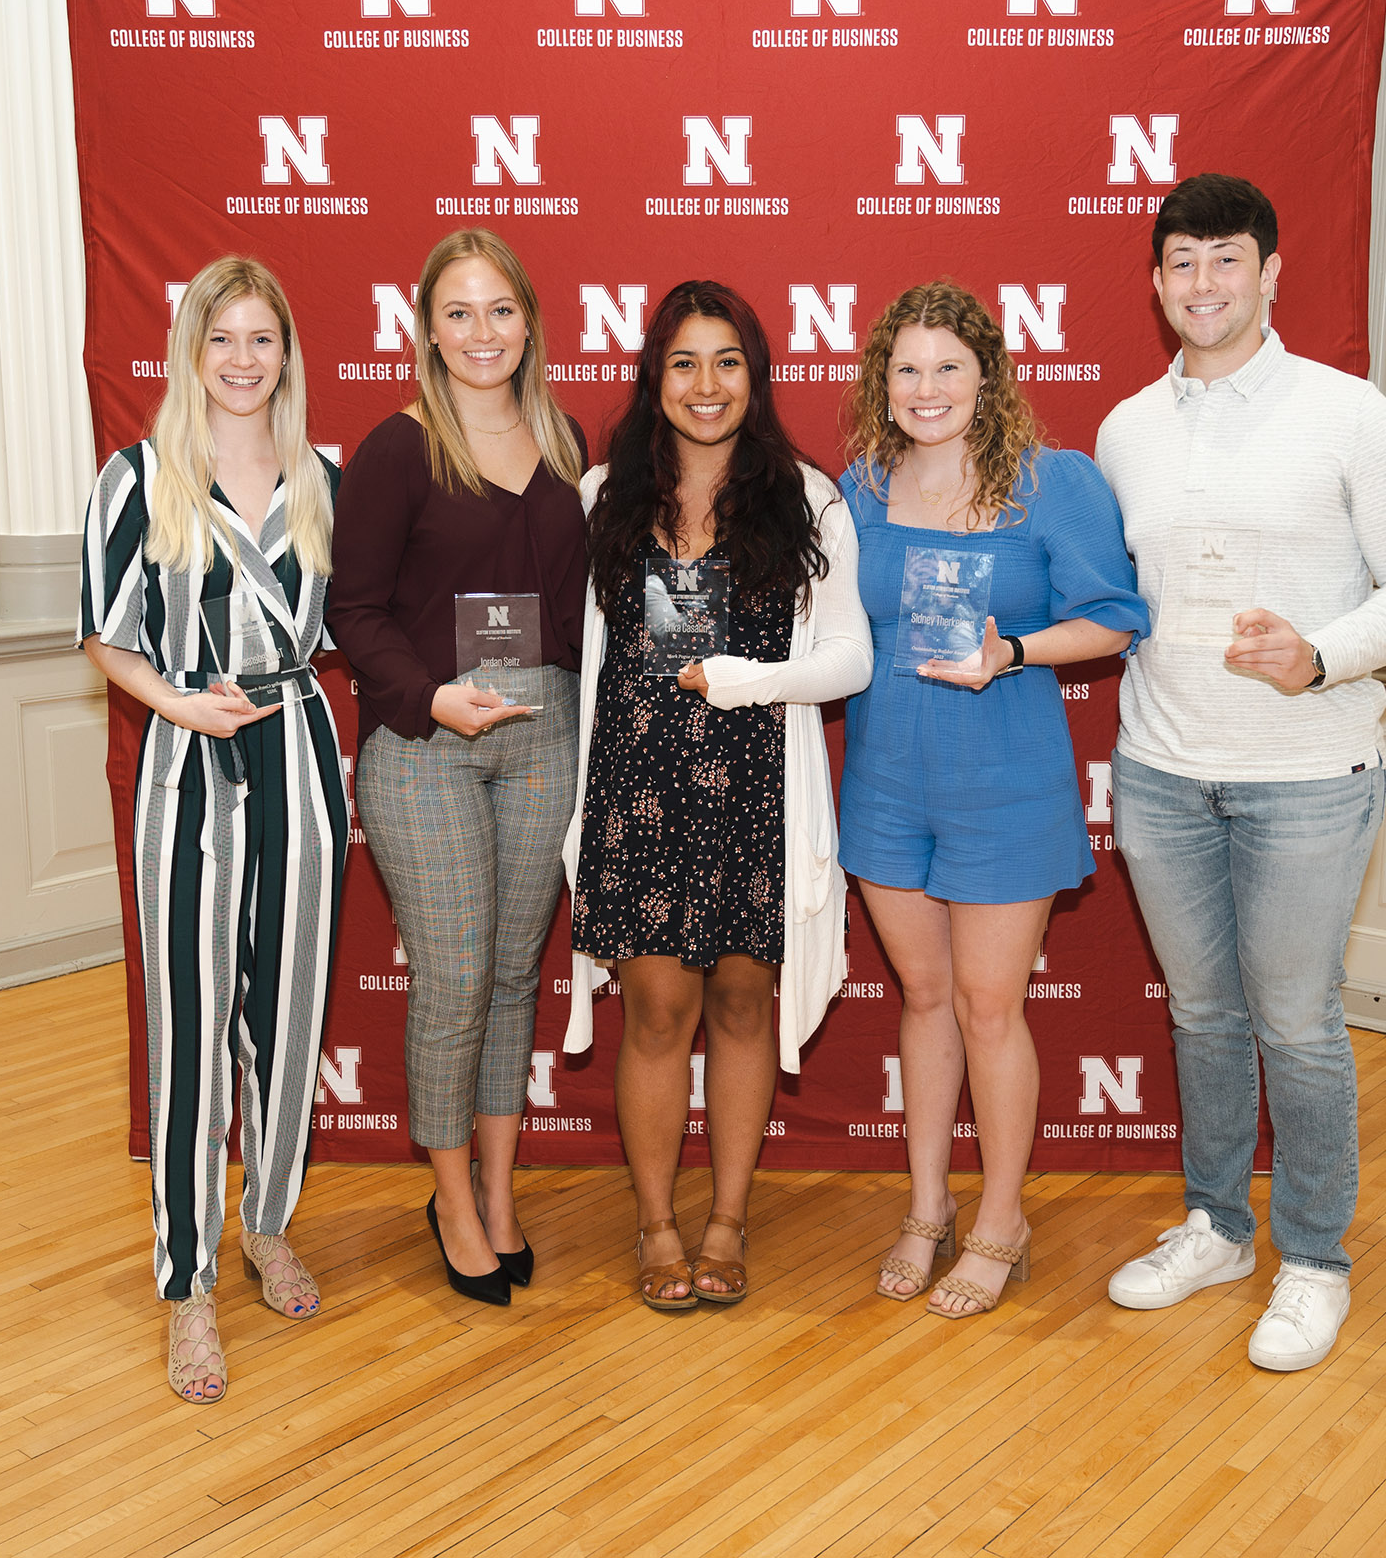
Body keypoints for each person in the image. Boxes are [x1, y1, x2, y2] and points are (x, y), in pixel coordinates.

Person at [1094, 173, 1386, 1371]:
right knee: (1202, 1014)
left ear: (1270, 272)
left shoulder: (1349, 412)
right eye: (1182, 263)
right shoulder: (1125, 429)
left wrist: (1318, 656)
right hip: (1158, 772)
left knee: (1296, 1024)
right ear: (1156, 284)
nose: (1203, 284)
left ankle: (1313, 1257)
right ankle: (1215, 1223)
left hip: (1308, 775)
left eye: (1225, 260)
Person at [560, 281, 872, 1311]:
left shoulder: (807, 498)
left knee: (743, 1001)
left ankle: (727, 1220)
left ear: (756, 374)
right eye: (685, 362)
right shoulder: (602, 492)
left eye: (727, 361)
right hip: (637, 787)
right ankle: (655, 1222)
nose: (706, 385)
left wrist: (758, 679)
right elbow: (571, 653)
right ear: (655, 374)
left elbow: (850, 661)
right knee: (655, 1010)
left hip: (757, 791)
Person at [841, 282, 1150, 1319]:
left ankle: (1002, 1218)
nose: (926, 390)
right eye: (907, 369)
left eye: (948, 368)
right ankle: (925, 1208)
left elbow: (1111, 620)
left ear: (988, 376)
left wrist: (1012, 650)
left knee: (987, 1006)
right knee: (923, 1000)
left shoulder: (1052, 482)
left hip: (1005, 782)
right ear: (882, 383)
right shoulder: (861, 485)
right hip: (886, 784)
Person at [79, 256, 346, 1404]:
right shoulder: (137, 477)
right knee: (190, 1030)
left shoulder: (323, 477)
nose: (243, 360)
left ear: (287, 353)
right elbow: (103, 634)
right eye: (222, 339)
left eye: (263, 340)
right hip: (188, 755)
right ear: (191, 351)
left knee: (287, 1022)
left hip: (296, 748)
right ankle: (186, 1282)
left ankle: (268, 1222)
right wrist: (180, 702)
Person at [329, 230, 587, 1308]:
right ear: (426, 329)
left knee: (517, 975)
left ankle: (497, 1183)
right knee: (454, 979)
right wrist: (431, 695)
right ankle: (446, 1195)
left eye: (500, 311)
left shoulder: (568, 440)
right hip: (428, 740)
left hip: (542, 731)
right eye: (458, 313)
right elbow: (353, 611)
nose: (482, 334)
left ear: (529, 319)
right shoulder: (397, 447)